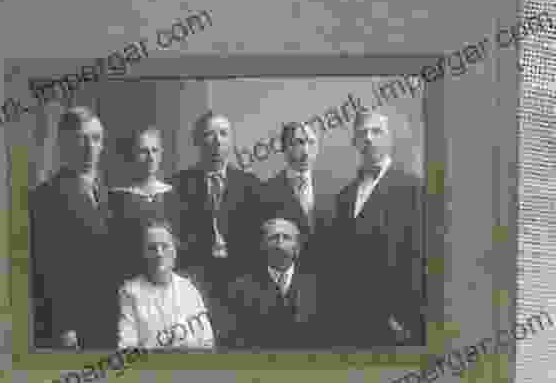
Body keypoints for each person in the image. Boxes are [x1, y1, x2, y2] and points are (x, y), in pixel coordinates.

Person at [330, 109, 425, 346]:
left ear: (390, 139)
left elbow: (420, 258)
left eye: (377, 131)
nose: (369, 138)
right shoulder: (344, 196)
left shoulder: (414, 188)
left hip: (398, 323)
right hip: (349, 323)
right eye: (362, 133)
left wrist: (406, 318)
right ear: (354, 142)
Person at [29, 106, 119, 350]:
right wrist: (63, 327)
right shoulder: (45, 198)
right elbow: (47, 270)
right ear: (65, 144)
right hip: (72, 328)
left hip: (111, 320)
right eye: (81, 139)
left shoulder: (109, 195)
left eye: (96, 139)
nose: (90, 147)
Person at [170, 111, 263, 300]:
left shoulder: (250, 185)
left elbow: (257, 241)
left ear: (231, 140)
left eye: (223, 133)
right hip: (195, 280)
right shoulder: (178, 184)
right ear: (197, 141)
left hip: (241, 281)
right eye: (209, 134)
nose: (217, 141)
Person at [222, 218, 322, 350]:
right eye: (274, 238)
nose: (280, 244)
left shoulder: (317, 286)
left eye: (286, 237)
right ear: (263, 245)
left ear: (297, 247)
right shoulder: (241, 289)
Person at [117, 219, 215, 350]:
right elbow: (127, 347)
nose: (159, 253)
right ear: (144, 254)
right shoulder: (130, 293)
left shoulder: (188, 289)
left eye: (165, 246)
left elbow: (207, 341)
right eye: (152, 248)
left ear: (174, 251)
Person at [108, 126, 182, 281]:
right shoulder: (116, 197)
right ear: (132, 155)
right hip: (129, 280)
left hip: (166, 281)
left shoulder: (174, 196)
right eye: (143, 151)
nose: (150, 157)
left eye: (155, 151)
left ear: (161, 154)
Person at [259, 121, 333, 269]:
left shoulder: (335, 187)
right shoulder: (266, 192)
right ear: (285, 148)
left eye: (311, 142)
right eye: (299, 143)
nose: (306, 150)